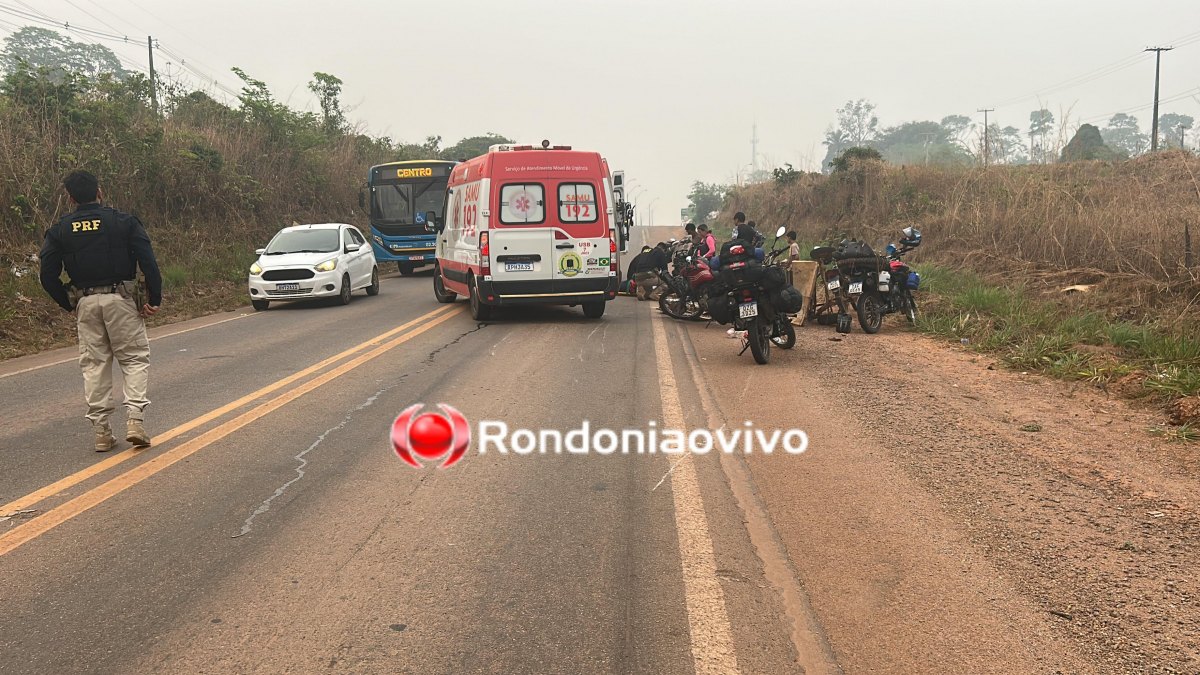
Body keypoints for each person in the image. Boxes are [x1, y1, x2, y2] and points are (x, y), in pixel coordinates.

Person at [40, 170, 163, 452]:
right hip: (121, 299)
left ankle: (102, 432)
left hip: (85, 302)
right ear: (100, 192)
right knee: (133, 359)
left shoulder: (60, 230)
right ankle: (135, 420)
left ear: (70, 198)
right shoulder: (123, 222)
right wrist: (154, 298)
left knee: (94, 365)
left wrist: (68, 303)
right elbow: (149, 262)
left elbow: (47, 275)